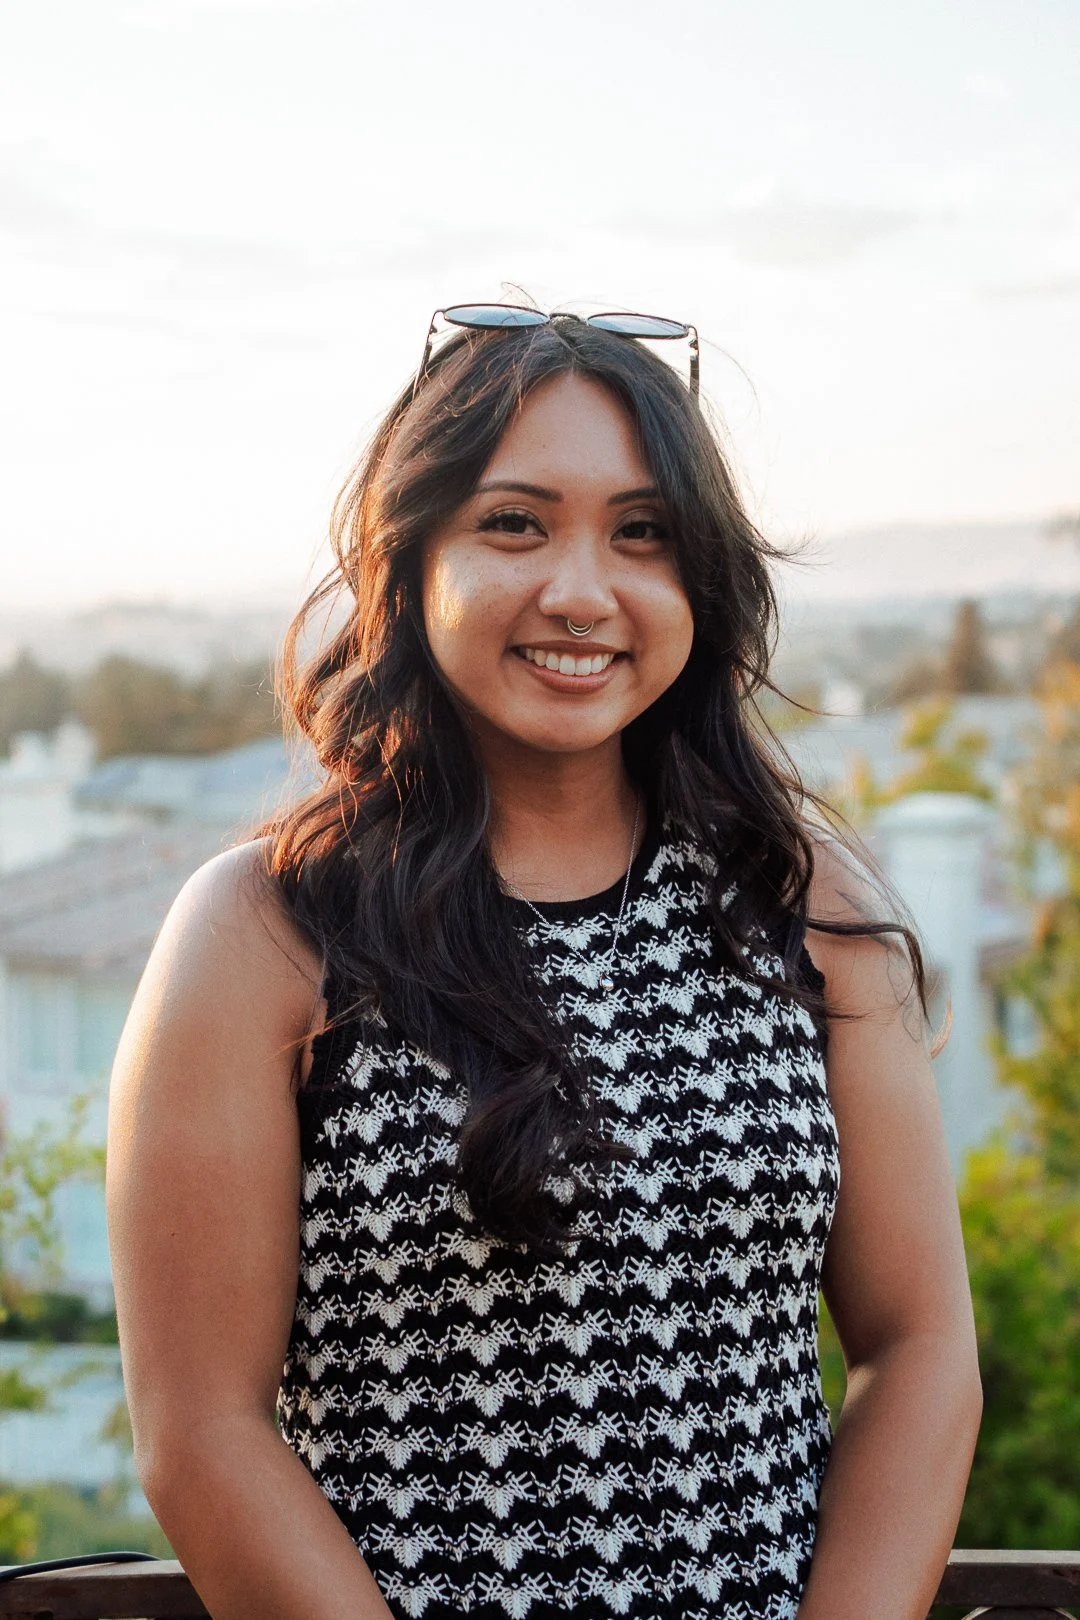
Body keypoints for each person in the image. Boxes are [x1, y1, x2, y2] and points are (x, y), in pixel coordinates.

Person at [107, 305, 982, 1620]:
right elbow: (201, 1432)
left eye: (644, 533)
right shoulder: (267, 931)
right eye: (514, 524)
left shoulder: (805, 907)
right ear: (409, 560)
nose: (582, 591)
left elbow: (919, 1353)